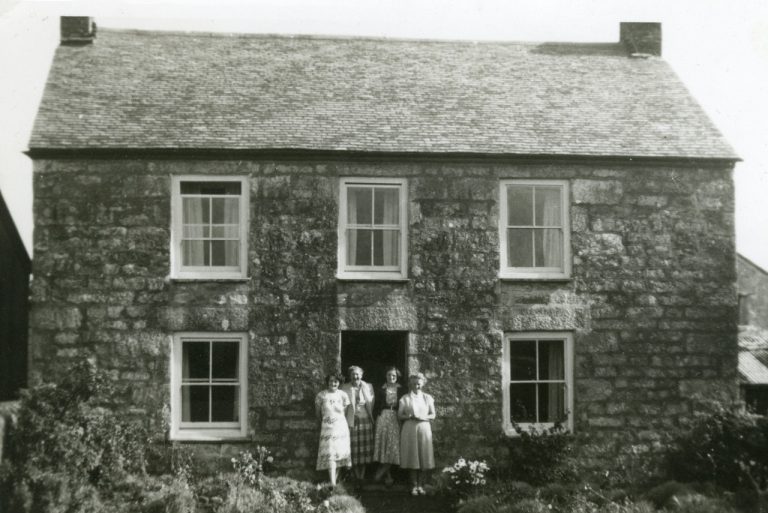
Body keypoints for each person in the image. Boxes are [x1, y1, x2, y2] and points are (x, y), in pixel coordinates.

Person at [398, 372, 436, 496]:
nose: (416, 386)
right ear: (410, 384)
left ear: (423, 383)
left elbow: (433, 415)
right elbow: (399, 415)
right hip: (409, 428)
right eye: (414, 384)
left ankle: (421, 484)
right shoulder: (405, 398)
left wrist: (423, 416)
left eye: (418, 384)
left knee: (424, 455)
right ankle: (414, 485)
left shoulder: (427, 398)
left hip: (424, 427)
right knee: (412, 455)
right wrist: (408, 416)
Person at [315, 373, 352, 487]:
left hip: (340, 427)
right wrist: (326, 421)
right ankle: (333, 484)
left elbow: (345, 412)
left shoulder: (343, 395)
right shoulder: (321, 395)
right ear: (328, 382)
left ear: (339, 383)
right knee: (330, 454)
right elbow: (318, 413)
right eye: (331, 381)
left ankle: (335, 481)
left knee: (339, 453)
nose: (333, 383)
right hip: (327, 428)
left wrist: (337, 421)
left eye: (336, 381)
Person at [340, 365, 375, 483]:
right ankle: (356, 475)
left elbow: (372, 404)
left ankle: (362, 475)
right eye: (353, 374)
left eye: (357, 374)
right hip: (351, 421)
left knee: (364, 448)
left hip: (365, 420)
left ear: (362, 375)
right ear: (350, 376)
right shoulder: (344, 388)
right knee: (354, 449)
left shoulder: (368, 387)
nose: (355, 377)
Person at [372, 366, 404, 486]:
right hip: (383, 417)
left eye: (394, 376)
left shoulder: (402, 389)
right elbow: (375, 405)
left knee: (393, 446)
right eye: (389, 375)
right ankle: (388, 476)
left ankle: (380, 473)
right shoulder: (381, 388)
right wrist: (376, 418)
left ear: (397, 377)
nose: (391, 377)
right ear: (386, 376)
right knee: (384, 445)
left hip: (395, 417)